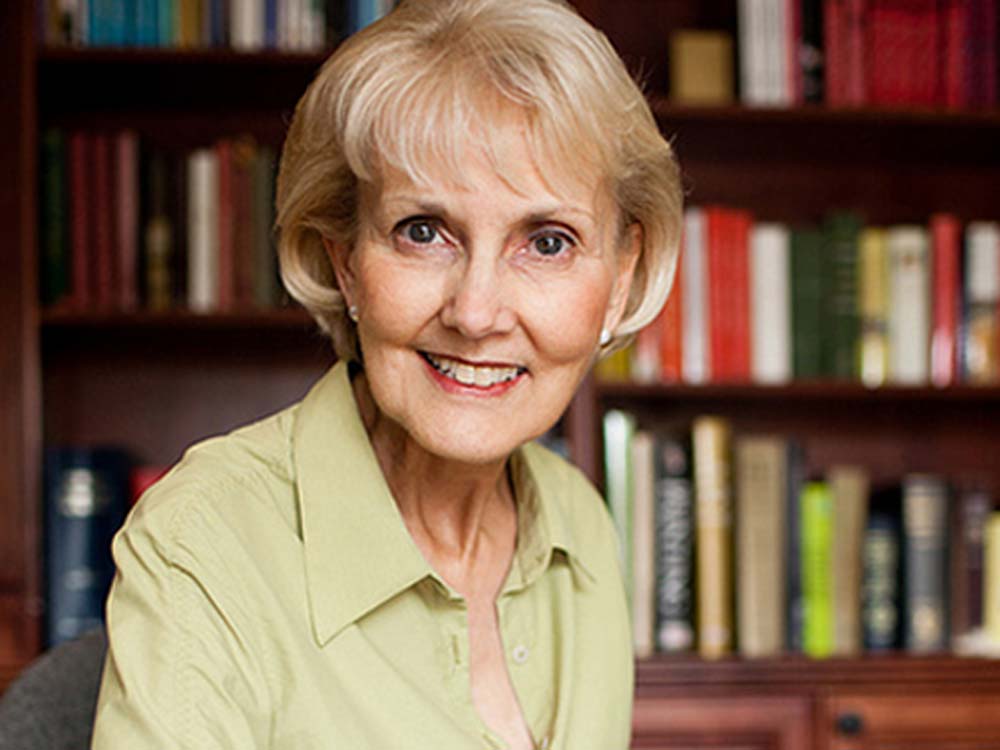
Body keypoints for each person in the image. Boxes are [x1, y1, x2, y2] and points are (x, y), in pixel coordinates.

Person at [91, 0, 682, 748]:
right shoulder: (207, 541)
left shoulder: (580, 524)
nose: (476, 313)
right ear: (346, 263)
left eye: (547, 242)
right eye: (423, 232)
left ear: (621, 279)